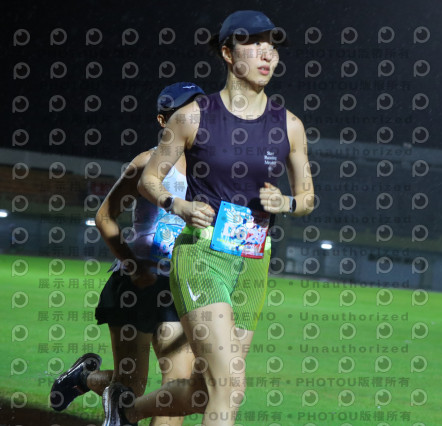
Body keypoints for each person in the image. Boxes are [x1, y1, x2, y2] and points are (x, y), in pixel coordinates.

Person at [101, 10, 315, 426]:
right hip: (202, 256)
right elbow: (149, 179)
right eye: (253, 43)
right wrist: (176, 205)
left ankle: (126, 411)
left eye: (271, 45)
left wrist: (287, 203)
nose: (267, 53)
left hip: (253, 261)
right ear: (227, 53)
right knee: (229, 386)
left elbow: (307, 198)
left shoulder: (290, 126)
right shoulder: (192, 116)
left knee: (203, 391)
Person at [49, 82, 207, 426]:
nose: (197, 118)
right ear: (164, 120)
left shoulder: (212, 172)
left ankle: (82, 379)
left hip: (182, 286)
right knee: (131, 388)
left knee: (175, 392)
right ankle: (84, 379)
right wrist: (134, 267)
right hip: (137, 284)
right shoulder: (146, 162)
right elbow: (104, 217)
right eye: (187, 112)